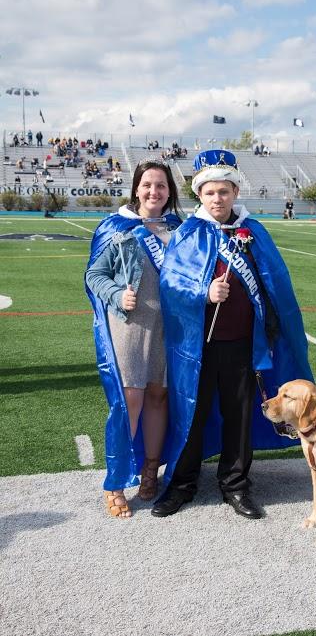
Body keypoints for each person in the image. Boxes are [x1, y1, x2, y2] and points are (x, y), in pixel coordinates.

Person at [152, 149, 314, 520]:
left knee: (239, 414)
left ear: (235, 192)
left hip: (243, 343)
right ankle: (181, 485)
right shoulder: (188, 233)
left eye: (224, 191)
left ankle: (236, 485)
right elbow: (171, 284)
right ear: (200, 195)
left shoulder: (254, 232)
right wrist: (204, 293)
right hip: (197, 346)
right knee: (192, 413)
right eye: (210, 193)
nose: (218, 199)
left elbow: (276, 283)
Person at [85, 160, 182, 518]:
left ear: (169, 191)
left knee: (159, 396)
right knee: (130, 400)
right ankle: (115, 482)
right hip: (130, 326)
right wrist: (114, 294)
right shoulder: (117, 228)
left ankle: (150, 470)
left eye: (160, 185)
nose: (153, 191)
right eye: (147, 185)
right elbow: (95, 274)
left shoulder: (179, 229)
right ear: (136, 189)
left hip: (169, 328)